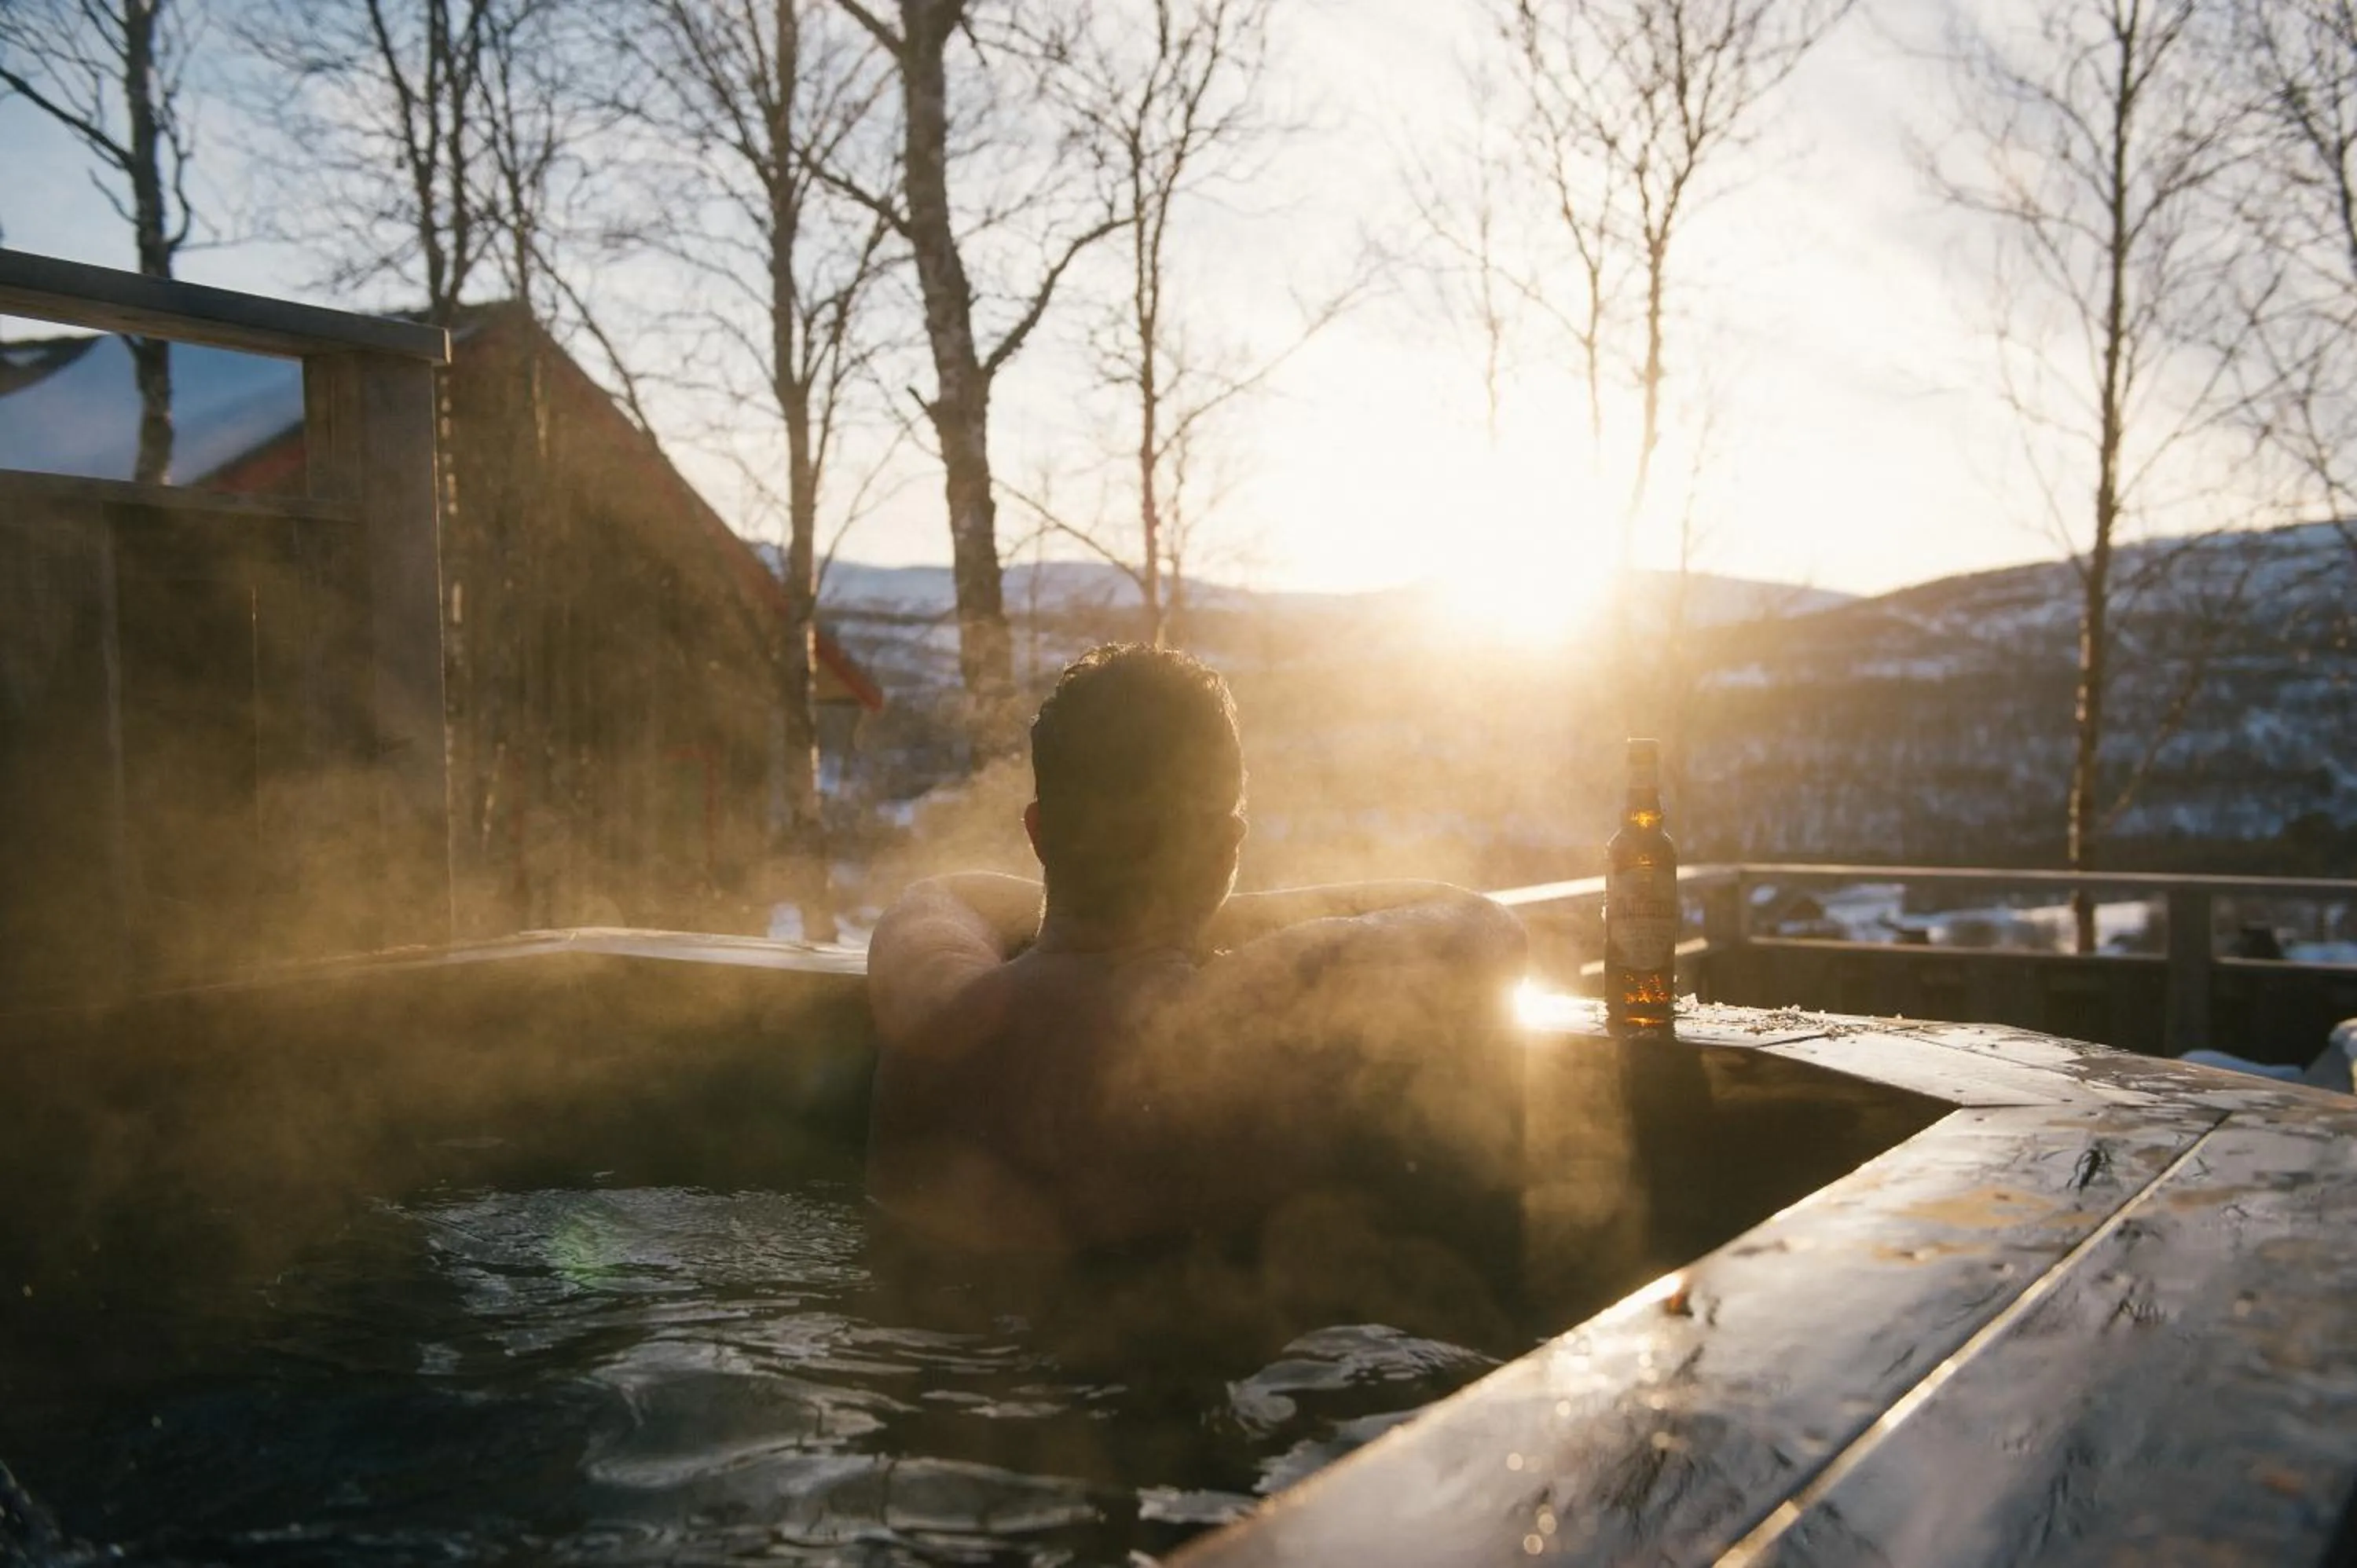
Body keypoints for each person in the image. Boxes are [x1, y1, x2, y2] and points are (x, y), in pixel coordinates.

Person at [866, 643, 1527, 1255]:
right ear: (1227, 851)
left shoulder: (934, 1000)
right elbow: (1483, 927)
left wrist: (1115, 886)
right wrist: (1221, 910)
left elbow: (949, 893)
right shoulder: (1236, 1017)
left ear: (1038, 832)